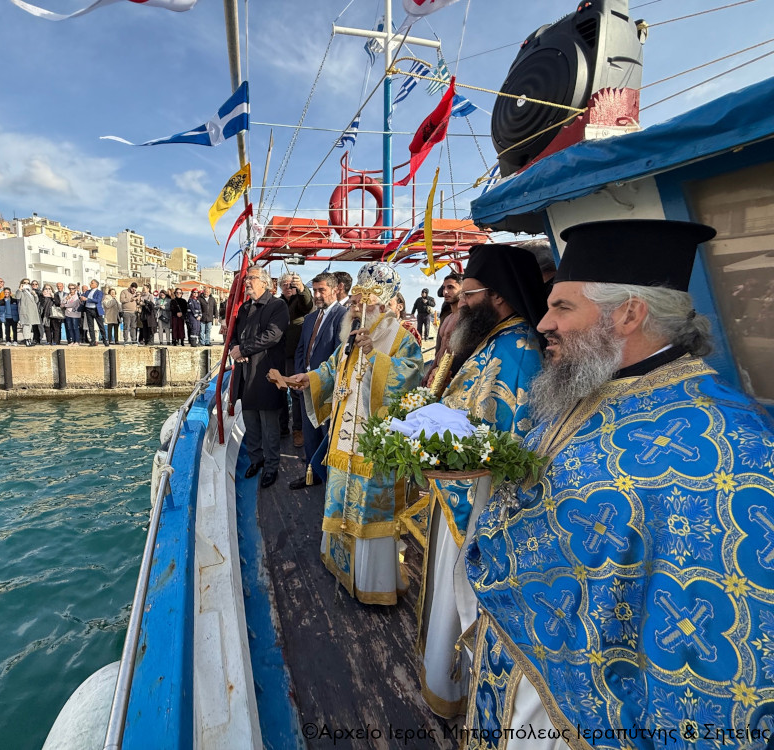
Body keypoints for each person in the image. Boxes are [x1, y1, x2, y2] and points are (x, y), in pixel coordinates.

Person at [463, 219, 774, 748]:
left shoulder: (731, 448)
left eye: (562, 307)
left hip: (593, 710)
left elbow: (718, 662)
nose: (543, 323)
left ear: (629, 314)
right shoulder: (591, 386)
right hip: (519, 662)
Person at [417, 243, 547, 718]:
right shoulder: (492, 339)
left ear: (499, 296)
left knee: (459, 597)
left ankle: (457, 687)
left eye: (468, 294)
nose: (460, 302)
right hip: (456, 491)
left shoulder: (520, 351)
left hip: (478, 505)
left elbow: (508, 438)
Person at [284, 262, 423, 604]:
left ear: (381, 302)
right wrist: (309, 379)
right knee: (341, 504)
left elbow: (410, 377)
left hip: (374, 447)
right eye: (355, 300)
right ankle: (341, 568)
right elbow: (331, 370)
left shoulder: (401, 338)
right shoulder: (350, 336)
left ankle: (374, 583)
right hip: (344, 439)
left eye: (363, 300)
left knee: (370, 511)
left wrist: (374, 356)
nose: (355, 306)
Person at [229, 267, 290, 489]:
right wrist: (236, 348)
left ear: (264, 282)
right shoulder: (245, 308)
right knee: (250, 420)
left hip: (265, 372)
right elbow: (235, 334)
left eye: (251, 278)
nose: (247, 282)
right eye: (246, 279)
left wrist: (244, 349)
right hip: (245, 373)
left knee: (269, 424)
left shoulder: (277, 305)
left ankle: (271, 466)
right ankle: (256, 460)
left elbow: (273, 335)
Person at [288, 271, 348, 490]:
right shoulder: (310, 318)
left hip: (327, 389)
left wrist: (318, 380)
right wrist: (299, 376)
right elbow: (301, 350)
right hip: (306, 387)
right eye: (314, 291)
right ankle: (311, 475)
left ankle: (331, 484)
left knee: (327, 438)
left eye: (322, 290)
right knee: (310, 434)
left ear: (336, 289)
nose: (317, 295)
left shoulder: (344, 317)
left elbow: (340, 357)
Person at [280, 273, 314, 447]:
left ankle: (298, 429)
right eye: (285, 284)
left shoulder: (299, 302)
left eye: (291, 284)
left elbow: (308, 303)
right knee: (278, 390)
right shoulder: (278, 303)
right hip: (279, 354)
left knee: (296, 392)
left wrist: (301, 288)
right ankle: (282, 427)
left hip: (297, 355)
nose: (288, 287)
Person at [78, 279, 107, 347]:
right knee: (90, 326)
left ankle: (105, 340)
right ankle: (92, 341)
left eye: (92, 283)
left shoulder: (99, 292)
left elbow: (97, 300)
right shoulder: (88, 291)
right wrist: (81, 298)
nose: (90, 284)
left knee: (101, 325)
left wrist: (87, 299)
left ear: (96, 285)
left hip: (96, 310)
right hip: (88, 309)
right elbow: (82, 296)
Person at [14, 278, 40, 347]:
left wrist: (35, 295)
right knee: (26, 326)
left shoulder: (30, 291)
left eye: (28, 283)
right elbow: (17, 297)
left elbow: (36, 301)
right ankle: (27, 340)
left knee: (29, 326)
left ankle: (29, 340)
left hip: (31, 311)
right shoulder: (20, 291)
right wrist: (20, 289)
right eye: (25, 282)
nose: (26, 284)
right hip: (25, 311)